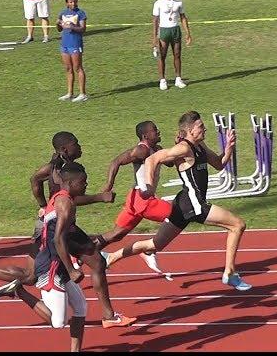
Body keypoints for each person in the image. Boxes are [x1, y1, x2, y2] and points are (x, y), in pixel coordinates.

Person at [0, 132, 135, 328]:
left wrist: (44, 205)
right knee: (96, 263)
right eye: (76, 144)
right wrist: (99, 198)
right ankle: (108, 316)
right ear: (65, 149)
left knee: (30, 276)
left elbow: (35, 180)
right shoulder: (59, 169)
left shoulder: (56, 166)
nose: (80, 146)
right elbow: (66, 199)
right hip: (55, 227)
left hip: (52, 223)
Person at [104, 111, 252, 291]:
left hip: (182, 204)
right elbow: (152, 158)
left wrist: (229, 147)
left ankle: (111, 257)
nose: (204, 128)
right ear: (189, 130)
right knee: (237, 225)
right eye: (200, 126)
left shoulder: (200, 146)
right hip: (194, 203)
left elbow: (219, 164)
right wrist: (149, 187)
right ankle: (229, 273)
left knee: (155, 244)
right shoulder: (184, 148)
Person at [0, 163, 99, 351]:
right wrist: (72, 268)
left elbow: (63, 235)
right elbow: (58, 239)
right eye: (83, 181)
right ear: (70, 182)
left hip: (59, 262)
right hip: (51, 265)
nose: (86, 184)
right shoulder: (65, 203)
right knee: (58, 322)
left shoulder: (62, 197)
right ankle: (19, 291)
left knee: (80, 307)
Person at [94, 121, 174, 276]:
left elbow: (170, 163)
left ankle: (83, 252)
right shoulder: (141, 150)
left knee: (117, 234)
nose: (158, 131)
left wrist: (176, 147)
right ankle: (149, 250)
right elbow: (116, 162)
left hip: (136, 199)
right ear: (145, 136)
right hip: (143, 199)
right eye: (154, 130)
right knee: (178, 215)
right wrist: (108, 186)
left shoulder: (156, 149)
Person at [152, 0, 192, 91]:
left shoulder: (179, 2)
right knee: (162, 55)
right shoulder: (158, 3)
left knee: (177, 54)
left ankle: (178, 79)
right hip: (164, 30)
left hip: (175, 30)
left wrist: (188, 33)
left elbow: (183, 17)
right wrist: (155, 37)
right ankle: (162, 80)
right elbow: (155, 21)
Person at [56, 0, 88, 102]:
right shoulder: (63, 13)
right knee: (68, 69)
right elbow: (59, 29)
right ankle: (70, 93)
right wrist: (58, 24)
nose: (73, 3)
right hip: (64, 44)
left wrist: (73, 27)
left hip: (75, 43)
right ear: (67, 3)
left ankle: (82, 94)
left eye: (74, 1)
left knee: (78, 68)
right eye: (70, 2)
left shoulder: (81, 13)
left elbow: (83, 29)